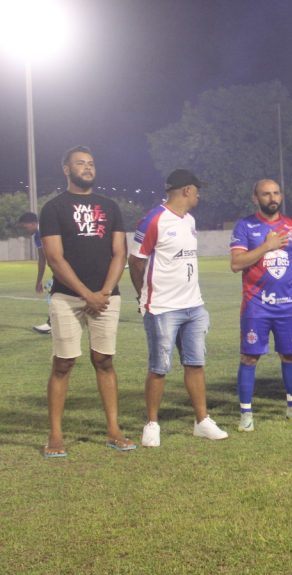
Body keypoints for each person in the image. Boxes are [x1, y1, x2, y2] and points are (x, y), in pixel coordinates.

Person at [37, 146, 134, 457]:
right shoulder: (53, 208)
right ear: (66, 169)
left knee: (104, 361)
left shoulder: (110, 206)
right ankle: (55, 435)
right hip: (67, 298)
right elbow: (54, 257)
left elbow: (120, 253)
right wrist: (85, 294)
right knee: (63, 363)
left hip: (106, 297)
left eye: (91, 163)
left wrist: (104, 291)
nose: (87, 168)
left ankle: (114, 430)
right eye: (80, 163)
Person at [130, 169, 228, 447]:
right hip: (162, 307)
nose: (199, 195)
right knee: (159, 368)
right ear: (186, 190)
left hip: (194, 306)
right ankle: (152, 424)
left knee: (195, 363)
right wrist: (144, 297)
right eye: (197, 190)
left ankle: (202, 421)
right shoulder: (154, 219)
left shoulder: (190, 220)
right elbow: (136, 261)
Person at [230, 178, 292, 431]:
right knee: (249, 357)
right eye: (266, 194)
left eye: (276, 193)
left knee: (290, 354)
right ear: (255, 198)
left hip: (287, 305)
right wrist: (267, 246)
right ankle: (246, 413)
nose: (272, 198)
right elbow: (236, 263)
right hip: (256, 305)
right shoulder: (245, 226)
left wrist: (284, 281)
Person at [18, 211, 52, 334]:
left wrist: (39, 281)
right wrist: (39, 280)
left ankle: (51, 325)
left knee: (53, 293)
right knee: (55, 292)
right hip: (65, 267)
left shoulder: (42, 232)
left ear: (33, 223)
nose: (25, 230)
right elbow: (42, 259)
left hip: (68, 266)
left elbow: (43, 259)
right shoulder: (39, 233)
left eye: (25, 227)